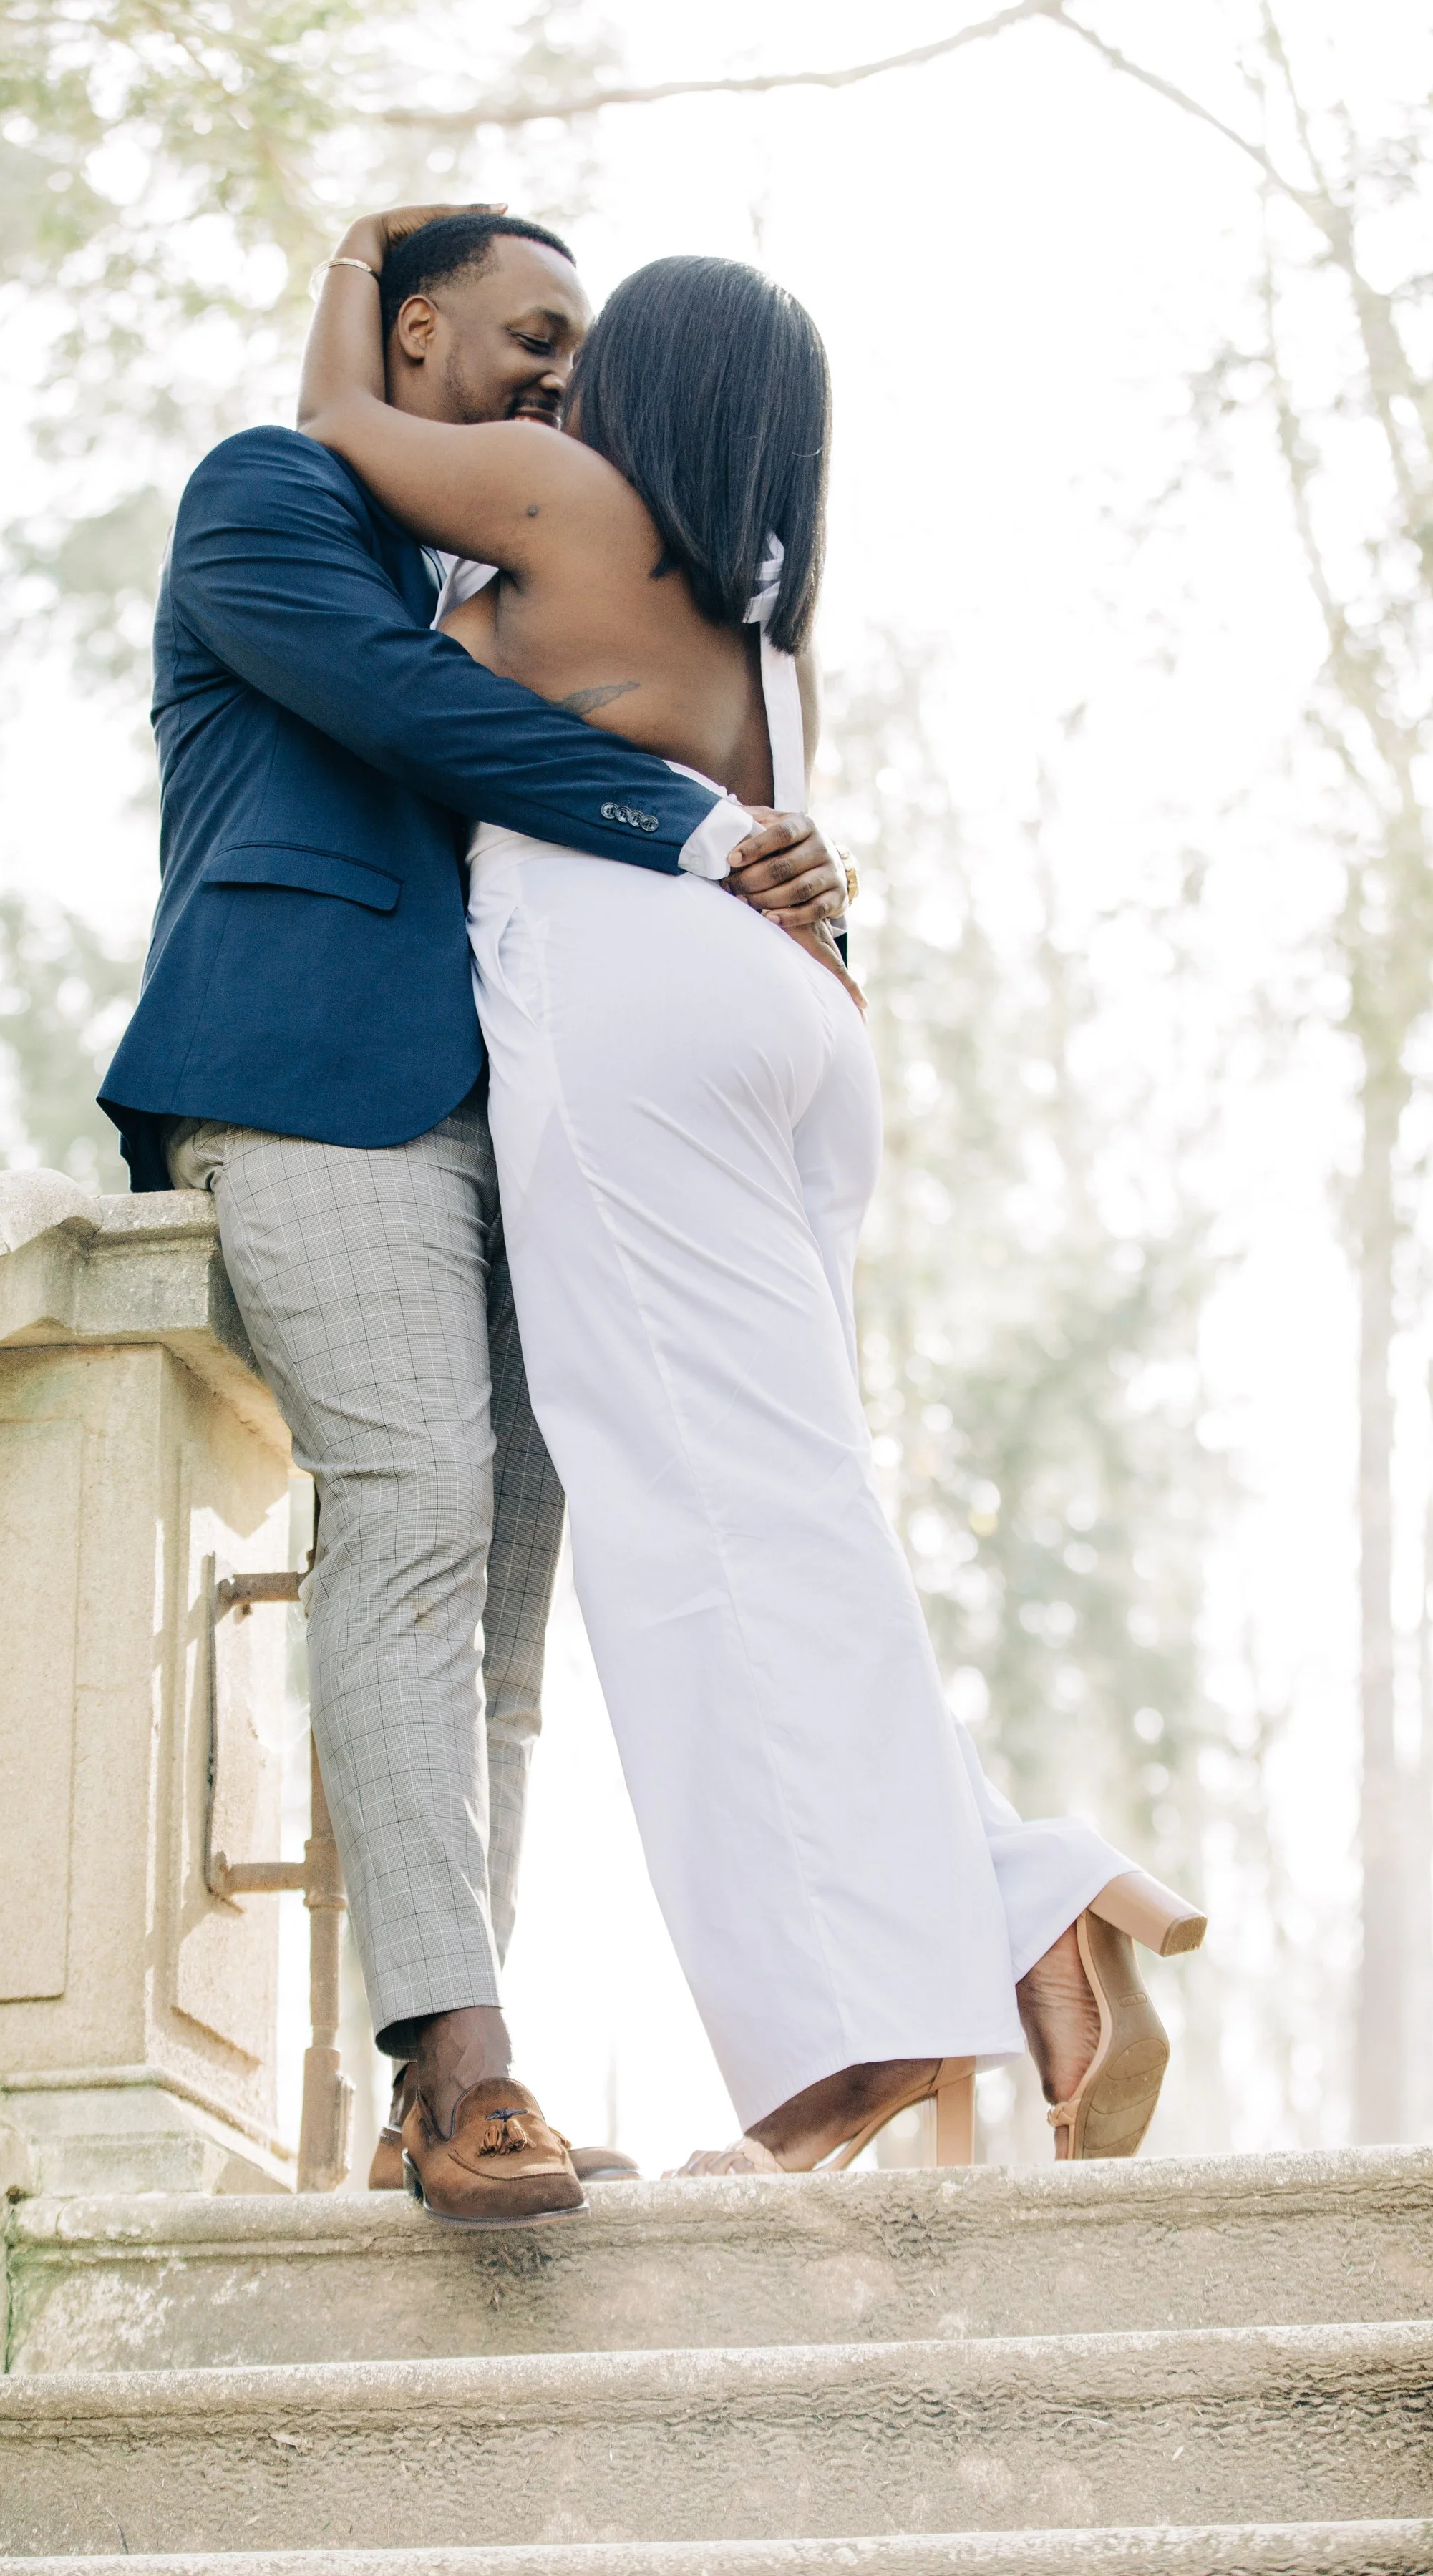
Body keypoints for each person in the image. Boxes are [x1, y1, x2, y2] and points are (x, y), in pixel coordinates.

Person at [297, 212, 1210, 2187]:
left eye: (580, 354)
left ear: (639, 391)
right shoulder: (772, 646)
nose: (548, 385)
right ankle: (1019, 1914)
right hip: (790, 1035)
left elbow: (339, 427)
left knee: (687, 1530)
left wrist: (363, 259)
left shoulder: (559, 500)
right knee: (791, 1504)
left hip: (631, 1022)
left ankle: (855, 2036)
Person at [100, 208, 855, 2226]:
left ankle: (438, 2060)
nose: (556, 380)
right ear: (408, 325)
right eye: (528, 338)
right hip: (305, 1075)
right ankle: (463, 2067)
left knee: (508, 1618)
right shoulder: (267, 495)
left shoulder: (532, 564)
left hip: (530, 1122)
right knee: (416, 1512)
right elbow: (393, 709)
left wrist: (788, 879)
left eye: (580, 356)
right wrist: (705, 826)